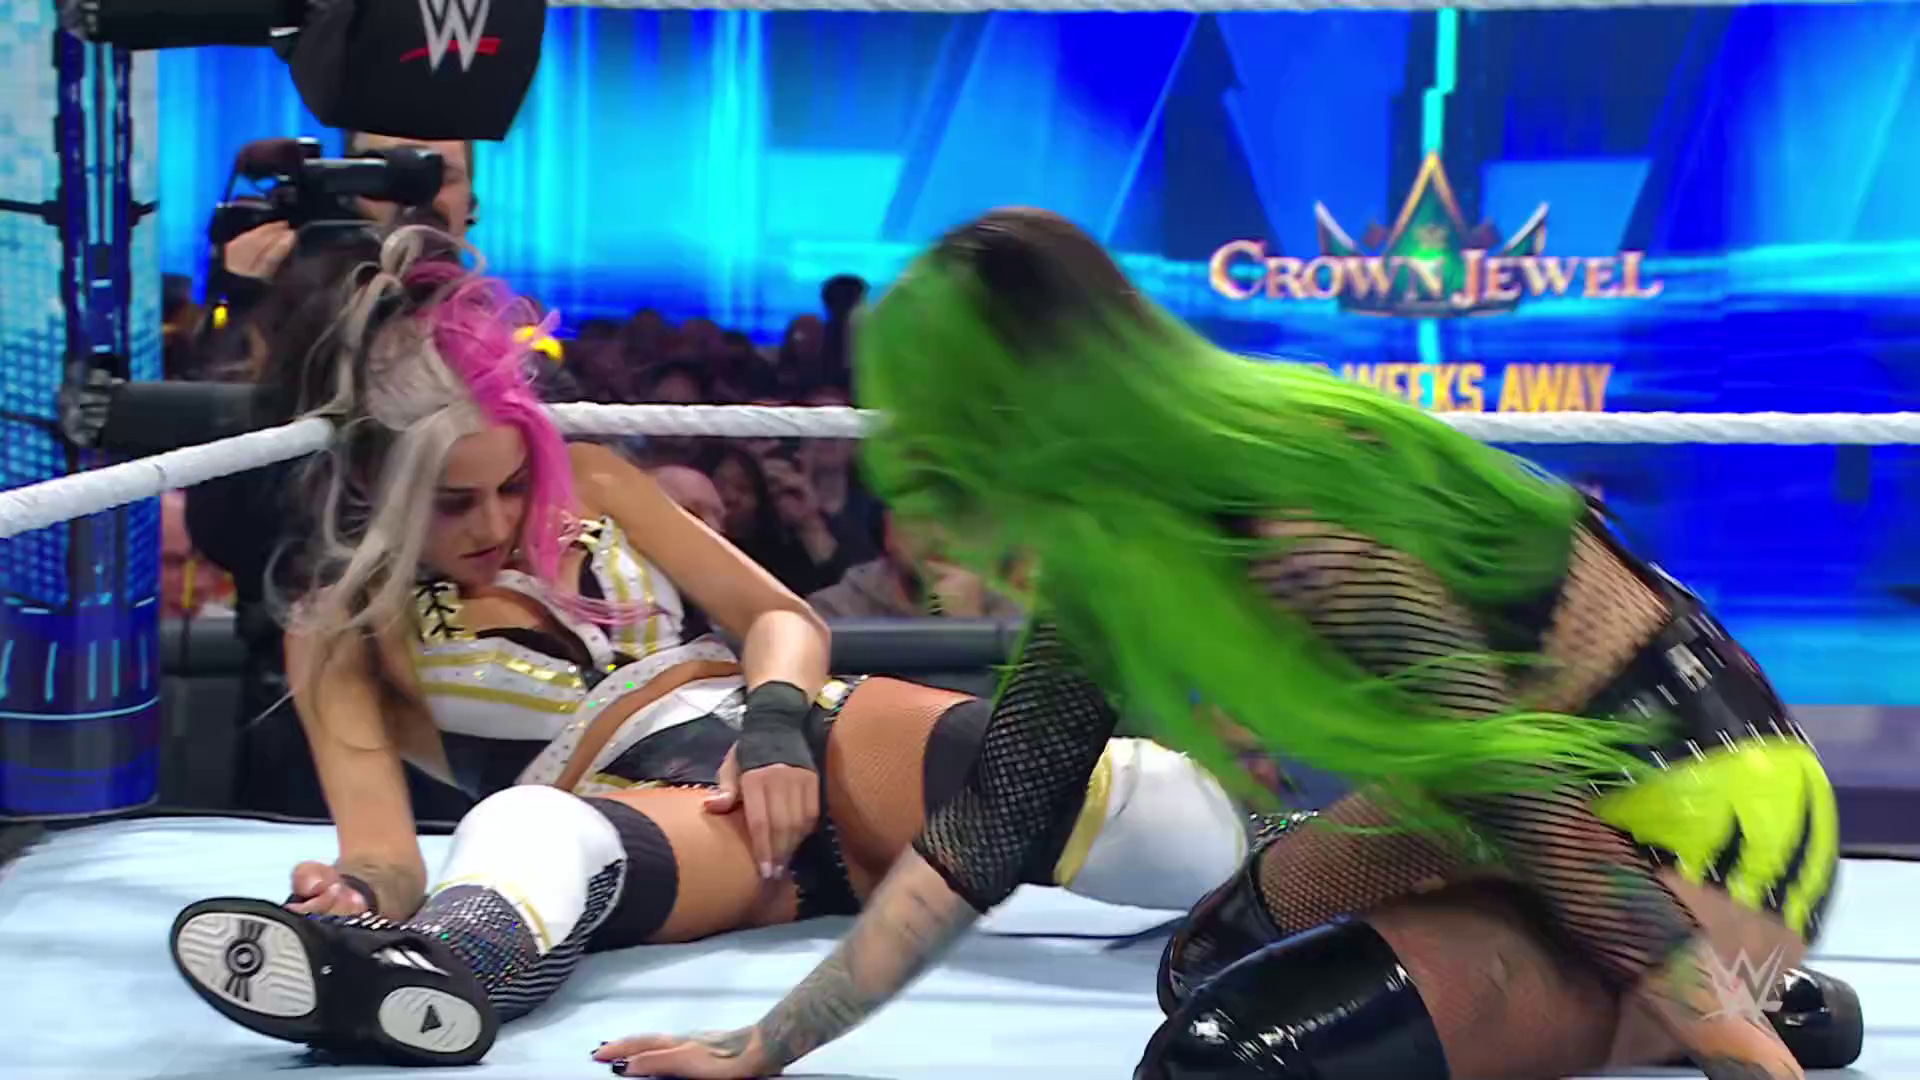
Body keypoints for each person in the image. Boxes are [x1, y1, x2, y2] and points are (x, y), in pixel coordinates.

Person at [596, 208, 1863, 1080]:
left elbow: (1537, 811)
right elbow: (988, 832)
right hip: (1515, 806)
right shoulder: (1116, 547)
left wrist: (1733, 1044)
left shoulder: (1299, 530)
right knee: (1215, 957)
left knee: (1234, 1060)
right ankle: (1711, 999)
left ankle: (1752, 992)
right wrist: (766, 1046)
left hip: (1696, 818)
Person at [167, 227, 1253, 1067]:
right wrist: (356, 897)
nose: (495, 522)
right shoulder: (340, 630)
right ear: (374, 481)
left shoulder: (596, 482)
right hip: (656, 824)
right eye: (453, 502)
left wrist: (776, 723)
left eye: (512, 485)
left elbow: (781, 617)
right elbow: (387, 850)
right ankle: (414, 981)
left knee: (1154, 805)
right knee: (526, 829)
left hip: (794, 732)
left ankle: (1302, 879)